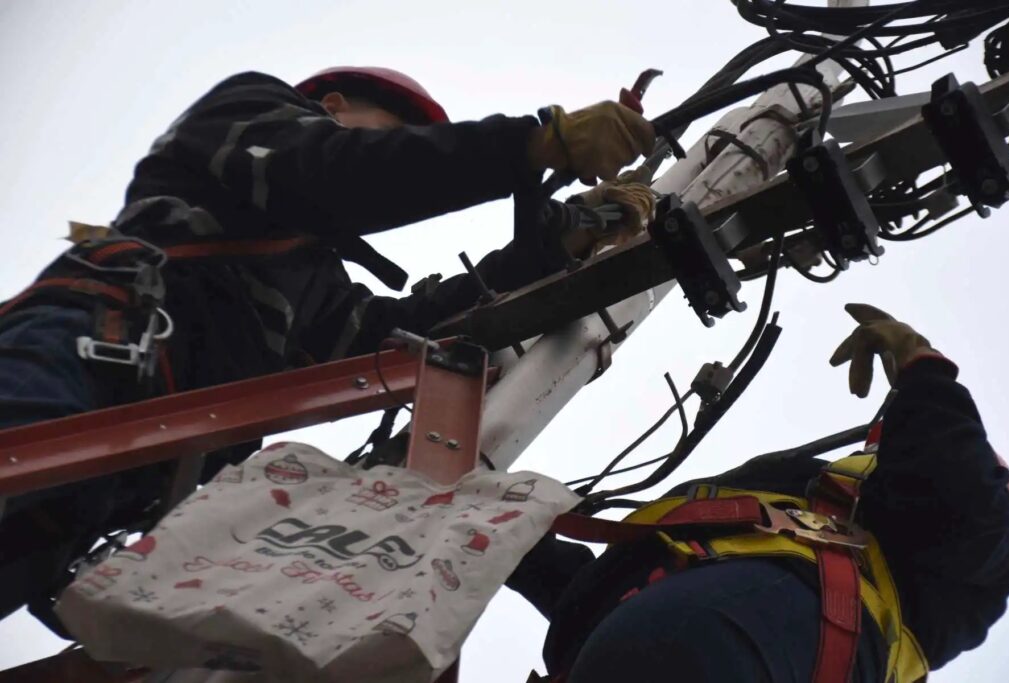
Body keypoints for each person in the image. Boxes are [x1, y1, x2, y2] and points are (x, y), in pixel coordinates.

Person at [0, 66, 657, 634]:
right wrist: (534, 143)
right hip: (80, 355)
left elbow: (404, 337)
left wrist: (556, 242)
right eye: (392, 128)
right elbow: (338, 172)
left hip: (124, 476)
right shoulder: (245, 118)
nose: (401, 146)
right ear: (333, 105)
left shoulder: (309, 285)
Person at [509, 303, 1009, 682]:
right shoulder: (781, 537)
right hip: (650, 638)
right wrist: (508, 537)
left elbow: (956, 480)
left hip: (734, 641)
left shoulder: (978, 539)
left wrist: (925, 373)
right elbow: (611, 588)